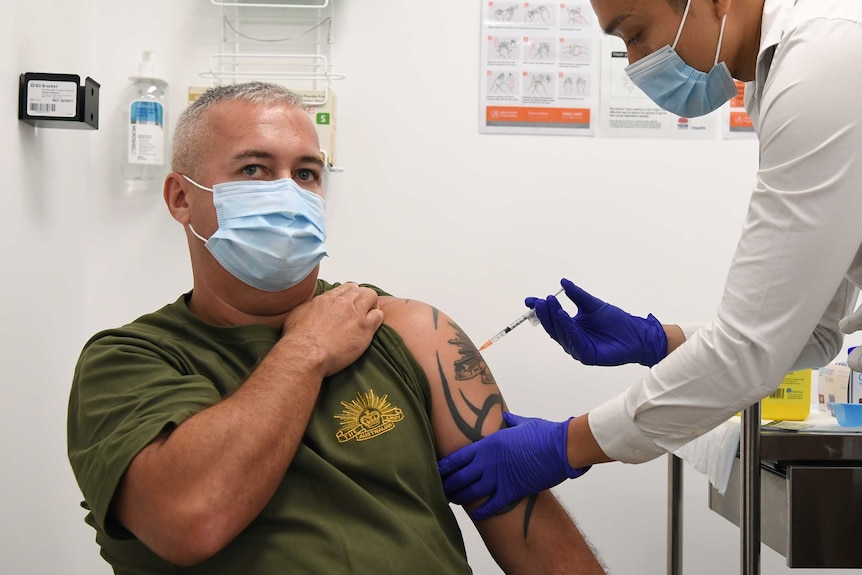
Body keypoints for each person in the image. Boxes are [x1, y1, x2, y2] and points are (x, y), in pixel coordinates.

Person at [66, 81, 604, 574]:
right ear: (181, 198)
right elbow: (191, 519)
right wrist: (306, 350)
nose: (288, 193)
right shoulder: (128, 361)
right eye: (253, 169)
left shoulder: (411, 332)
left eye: (305, 174)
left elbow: (532, 541)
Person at [438, 0, 862, 520]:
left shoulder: (824, 64)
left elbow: (750, 349)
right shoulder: (779, 77)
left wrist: (565, 445)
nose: (636, 63)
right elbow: (816, 331)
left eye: (634, 35)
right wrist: (657, 340)